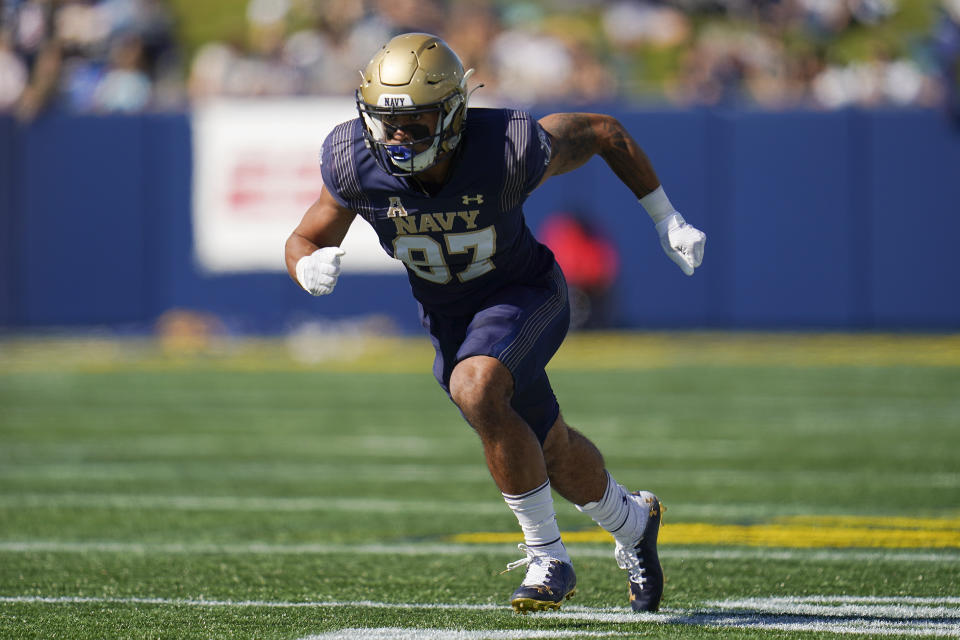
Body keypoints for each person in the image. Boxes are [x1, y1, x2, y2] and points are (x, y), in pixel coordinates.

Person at [284, 33, 705, 614]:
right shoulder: (356, 160)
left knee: (476, 386)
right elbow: (307, 235)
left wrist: (667, 218)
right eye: (387, 123)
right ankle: (632, 521)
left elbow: (605, 132)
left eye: (416, 124)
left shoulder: (506, 148)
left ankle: (546, 557)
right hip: (451, 318)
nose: (398, 138)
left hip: (525, 292)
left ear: (454, 115)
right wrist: (305, 264)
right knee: (548, 448)